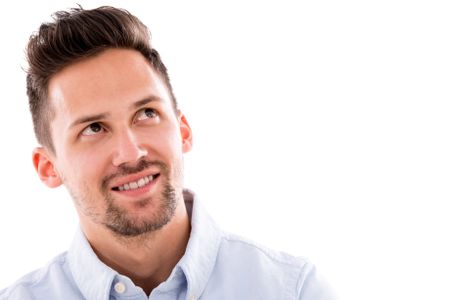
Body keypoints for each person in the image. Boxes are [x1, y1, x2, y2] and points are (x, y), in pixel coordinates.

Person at [0, 6, 336, 300]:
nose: (131, 153)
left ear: (183, 130)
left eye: (146, 113)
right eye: (94, 129)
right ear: (48, 167)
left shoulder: (292, 291)